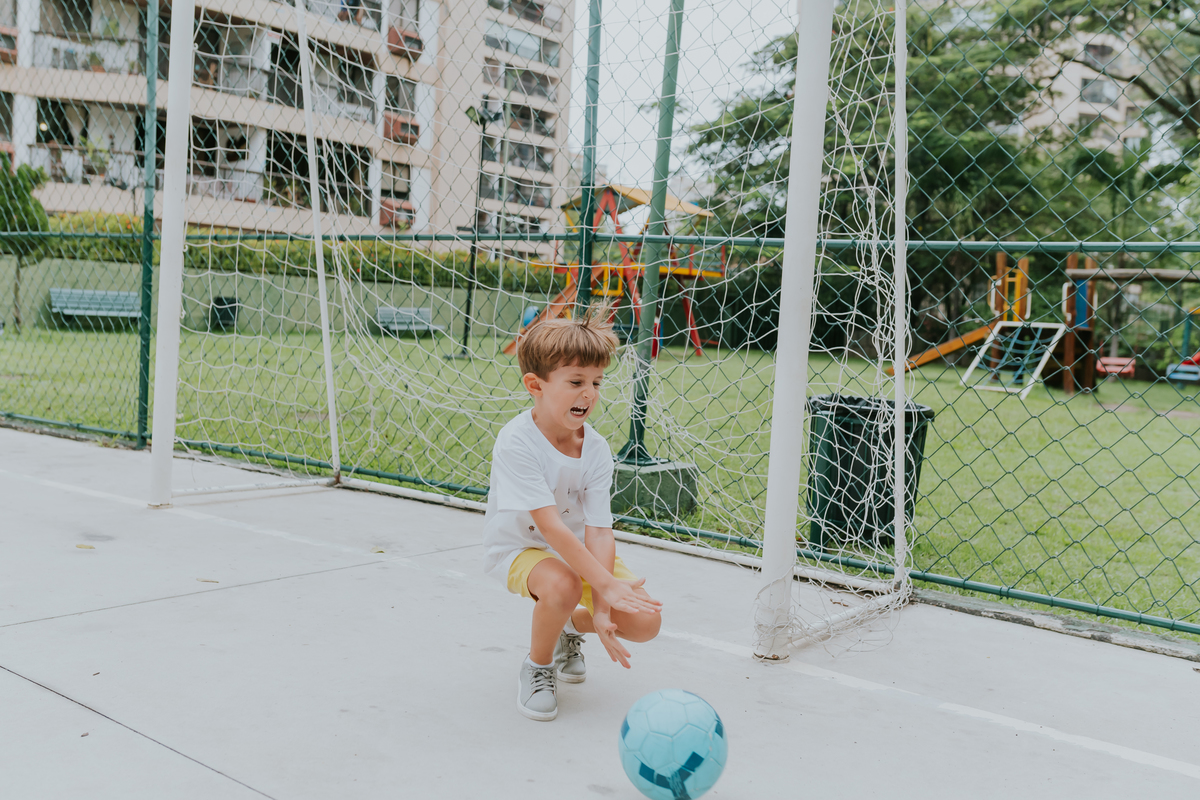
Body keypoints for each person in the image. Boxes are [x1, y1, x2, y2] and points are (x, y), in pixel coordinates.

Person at [484, 309, 662, 721]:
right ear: (536, 385)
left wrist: (602, 609)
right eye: (576, 382)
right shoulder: (516, 443)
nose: (590, 393)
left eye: (596, 382)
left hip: (579, 548)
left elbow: (599, 532)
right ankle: (538, 666)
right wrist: (603, 583)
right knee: (562, 584)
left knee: (644, 623)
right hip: (520, 547)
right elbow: (549, 527)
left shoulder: (596, 449)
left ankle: (570, 628)